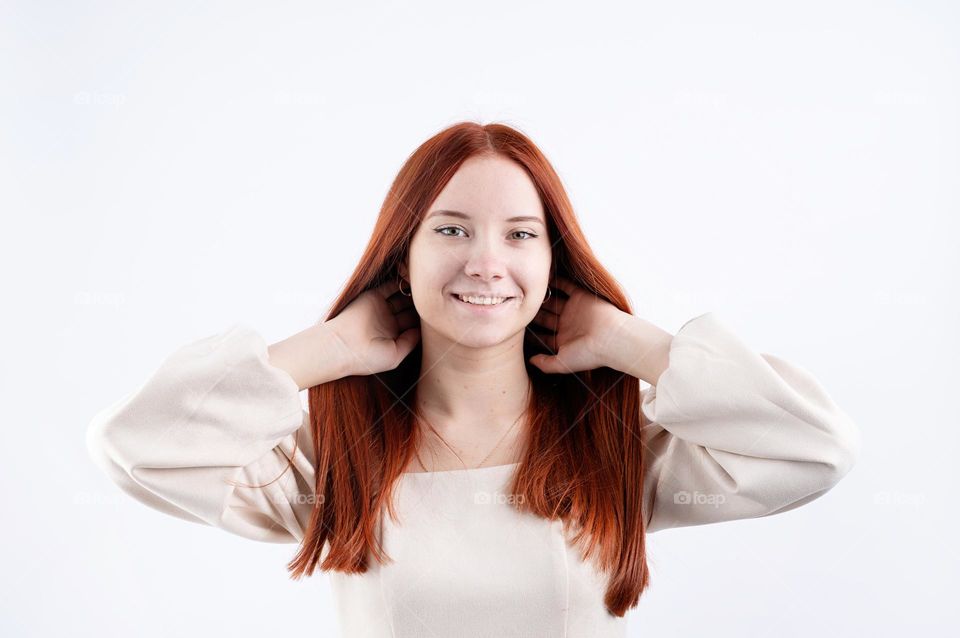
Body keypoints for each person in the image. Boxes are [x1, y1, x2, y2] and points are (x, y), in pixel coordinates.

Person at [86, 121, 861, 637]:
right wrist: (322, 351)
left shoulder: (621, 442)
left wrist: (631, 341)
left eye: (521, 235)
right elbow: (135, 447)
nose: (486, 262)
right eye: (451, 229)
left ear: (552, 262)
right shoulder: (328, 457)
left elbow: (815, 449)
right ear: (404, 255)